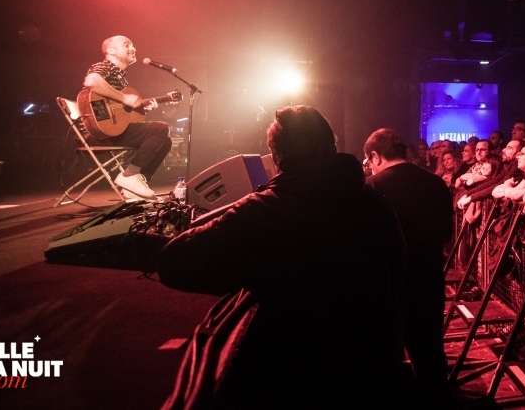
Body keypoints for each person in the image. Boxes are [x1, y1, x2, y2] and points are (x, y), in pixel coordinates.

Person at [158, 106, 406, 406]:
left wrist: (248, 276)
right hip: (373, 364)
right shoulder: (375, 203)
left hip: (294, 371)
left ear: (277, 158)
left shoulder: (264, 209)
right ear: (331, 145)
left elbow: (173, 262)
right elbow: (398, 269)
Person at [364, 128, 454, 409]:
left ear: (375, 156)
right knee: (430, 355)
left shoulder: (371, 187)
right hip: (429, 281)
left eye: (369, 161)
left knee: (386, 356)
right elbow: (447, 235)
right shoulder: (436, 183)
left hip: (391, 285)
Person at [82, 35, 172, 200]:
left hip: (114, 130)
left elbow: (121, 114)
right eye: (127, 45)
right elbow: (91, 80)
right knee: (160, 128)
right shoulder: (105, 66)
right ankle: (130, 175)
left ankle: (136, 185)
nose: (133, 48)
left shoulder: (120, 77)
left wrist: (140, 107)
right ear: (111, 50)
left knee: (166, 140)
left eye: (133, 45)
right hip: (98, 134)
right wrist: (125, 99)